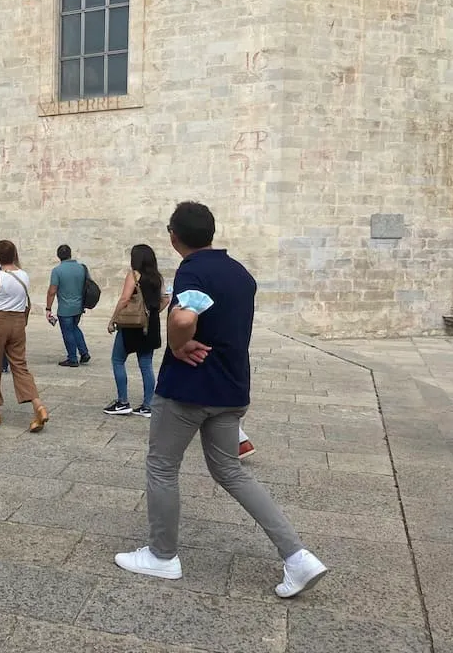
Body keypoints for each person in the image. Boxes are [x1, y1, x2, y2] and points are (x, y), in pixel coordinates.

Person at [114, 202, 327, 599]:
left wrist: (177, 345)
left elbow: (182, 318)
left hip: (188, 390)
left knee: (162, 466)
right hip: (231, 388)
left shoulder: (193, 270)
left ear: (173, 236)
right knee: (231, 471)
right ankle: (297, 556)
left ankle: (162, 555)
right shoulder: (240, 273)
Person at [0, 240, 49, 432]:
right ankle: (38, 406)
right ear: (14, 254)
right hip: (18, 323)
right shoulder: (24, 275)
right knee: (20, 365)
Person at [104, 244, 171, 417]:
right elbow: (165, 299)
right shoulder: (157, 277)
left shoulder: (134, 275)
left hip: (131, 325)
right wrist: (150, 314)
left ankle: (122, 402)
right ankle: (148, 405)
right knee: (146, 364)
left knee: (117, 360)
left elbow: (125, 299)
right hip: (150, 325)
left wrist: (113, 320)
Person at [45, 244, 90, 367]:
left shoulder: (57, 271)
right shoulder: (81, 268)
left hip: (65, 308)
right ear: (70, 254)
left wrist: (48, 308)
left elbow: (52, 291)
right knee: (74, 328)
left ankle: (72, 358)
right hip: (79, 306)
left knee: (68, 332)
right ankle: (84, 352)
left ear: (58, 256)